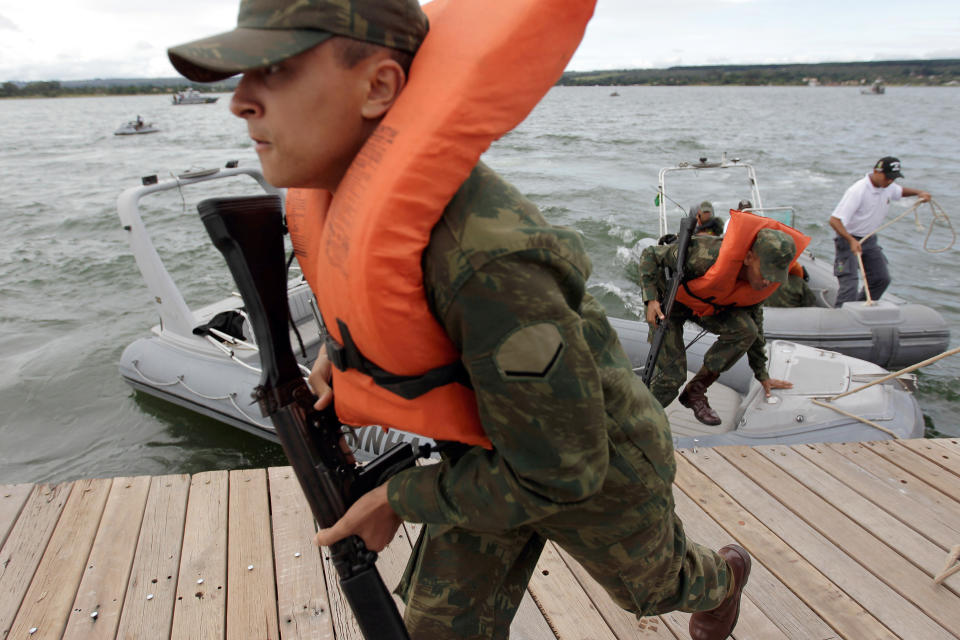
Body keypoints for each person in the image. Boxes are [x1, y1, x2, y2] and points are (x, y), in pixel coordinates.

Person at [168, 2, 751, 639]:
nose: (240, 102)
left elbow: (563, 471)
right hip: (481, 454)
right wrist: (346, 356)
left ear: (379, 86)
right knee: (438, 629)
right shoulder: (351, 204)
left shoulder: (486, 263)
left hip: (594, 467)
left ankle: (723, 578)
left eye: (274, 71)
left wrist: (395, 498)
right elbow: (407, 314)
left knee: (656, 589)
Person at [628, 219, 800, 425]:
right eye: (766, 273)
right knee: (671, 377)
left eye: (775, 277)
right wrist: (651, 299)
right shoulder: (705, 255)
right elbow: (650, 255)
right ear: (748, 257)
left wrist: (762, 374)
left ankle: (695, 392)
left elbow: (756, 326)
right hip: (669, 303)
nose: (767, 281)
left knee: (747, 330)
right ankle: (633, 422)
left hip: (704, 306)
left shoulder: (760, 285)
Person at [829, 157, 931, 307]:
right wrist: (851, 240)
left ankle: (859, 307)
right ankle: (840, 317)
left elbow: (900, 191)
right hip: (848, 240)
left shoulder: (888, 186)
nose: (890, 181)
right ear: (877, 171)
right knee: (849, 285)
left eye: (893, 178)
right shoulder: (858, 190)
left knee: (881, 279)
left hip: (869, 240)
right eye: (888, 177)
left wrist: (919, 193)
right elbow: (834, 220)